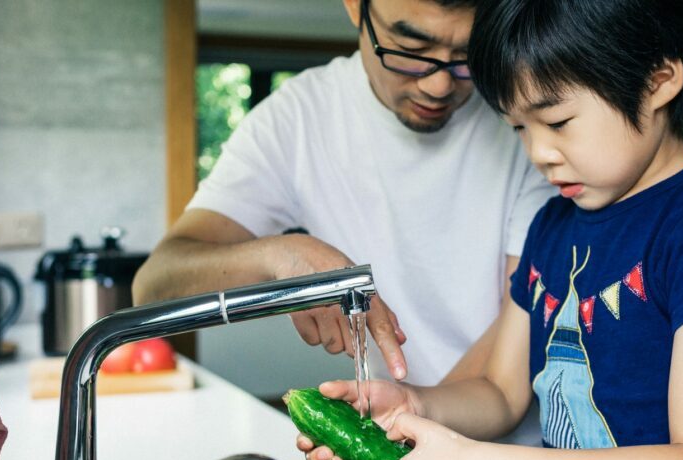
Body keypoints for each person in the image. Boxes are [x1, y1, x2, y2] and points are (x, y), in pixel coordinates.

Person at [301, 0, 683, 460]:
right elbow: (501, 391)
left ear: (658, 82)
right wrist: (417, 406)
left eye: (557, 121)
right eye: (519, 127)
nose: (538, 153)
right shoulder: (553, 226)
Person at [134, 3, 551, 408]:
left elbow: (510, 347)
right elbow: (154, 286)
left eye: (466, 55)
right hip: (403, 442)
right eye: (410, 49)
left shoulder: (528, 119)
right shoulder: (297, 119)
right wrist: (282, 257)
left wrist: (410, 433)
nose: (438, 85)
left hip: (512, 456)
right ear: (355, 7)